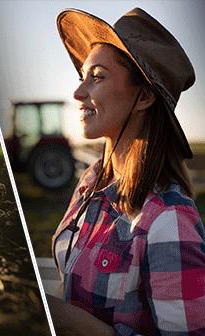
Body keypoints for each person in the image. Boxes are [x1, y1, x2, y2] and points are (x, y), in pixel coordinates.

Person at [46, 7, 205, 336]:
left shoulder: (168, 221)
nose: (78, 93)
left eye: (98, 76)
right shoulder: (90, 182)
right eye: (82, 76)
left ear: (144, 95)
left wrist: (69, 321)